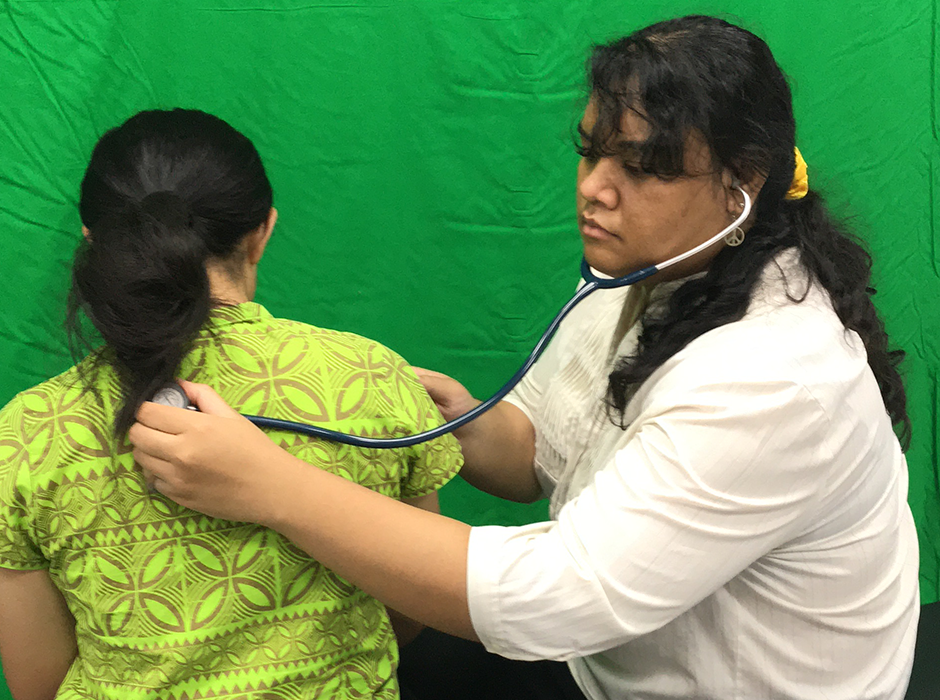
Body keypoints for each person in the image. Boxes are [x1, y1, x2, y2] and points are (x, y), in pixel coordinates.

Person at [128, 16, 920, 700]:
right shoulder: (652, 274)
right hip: (601, 663)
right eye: (590, 153)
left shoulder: (776, 379)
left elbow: (557, 597)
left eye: (640, 167)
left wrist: (271, 488)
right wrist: (438, 416)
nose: (594, 191)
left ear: (741, 186)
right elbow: (538, 449)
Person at [0, 109, 462, 700]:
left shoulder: (26, 430)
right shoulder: (373, 377)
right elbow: (409, 606)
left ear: (94, 241)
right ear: (261, 232)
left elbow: (38, 683)